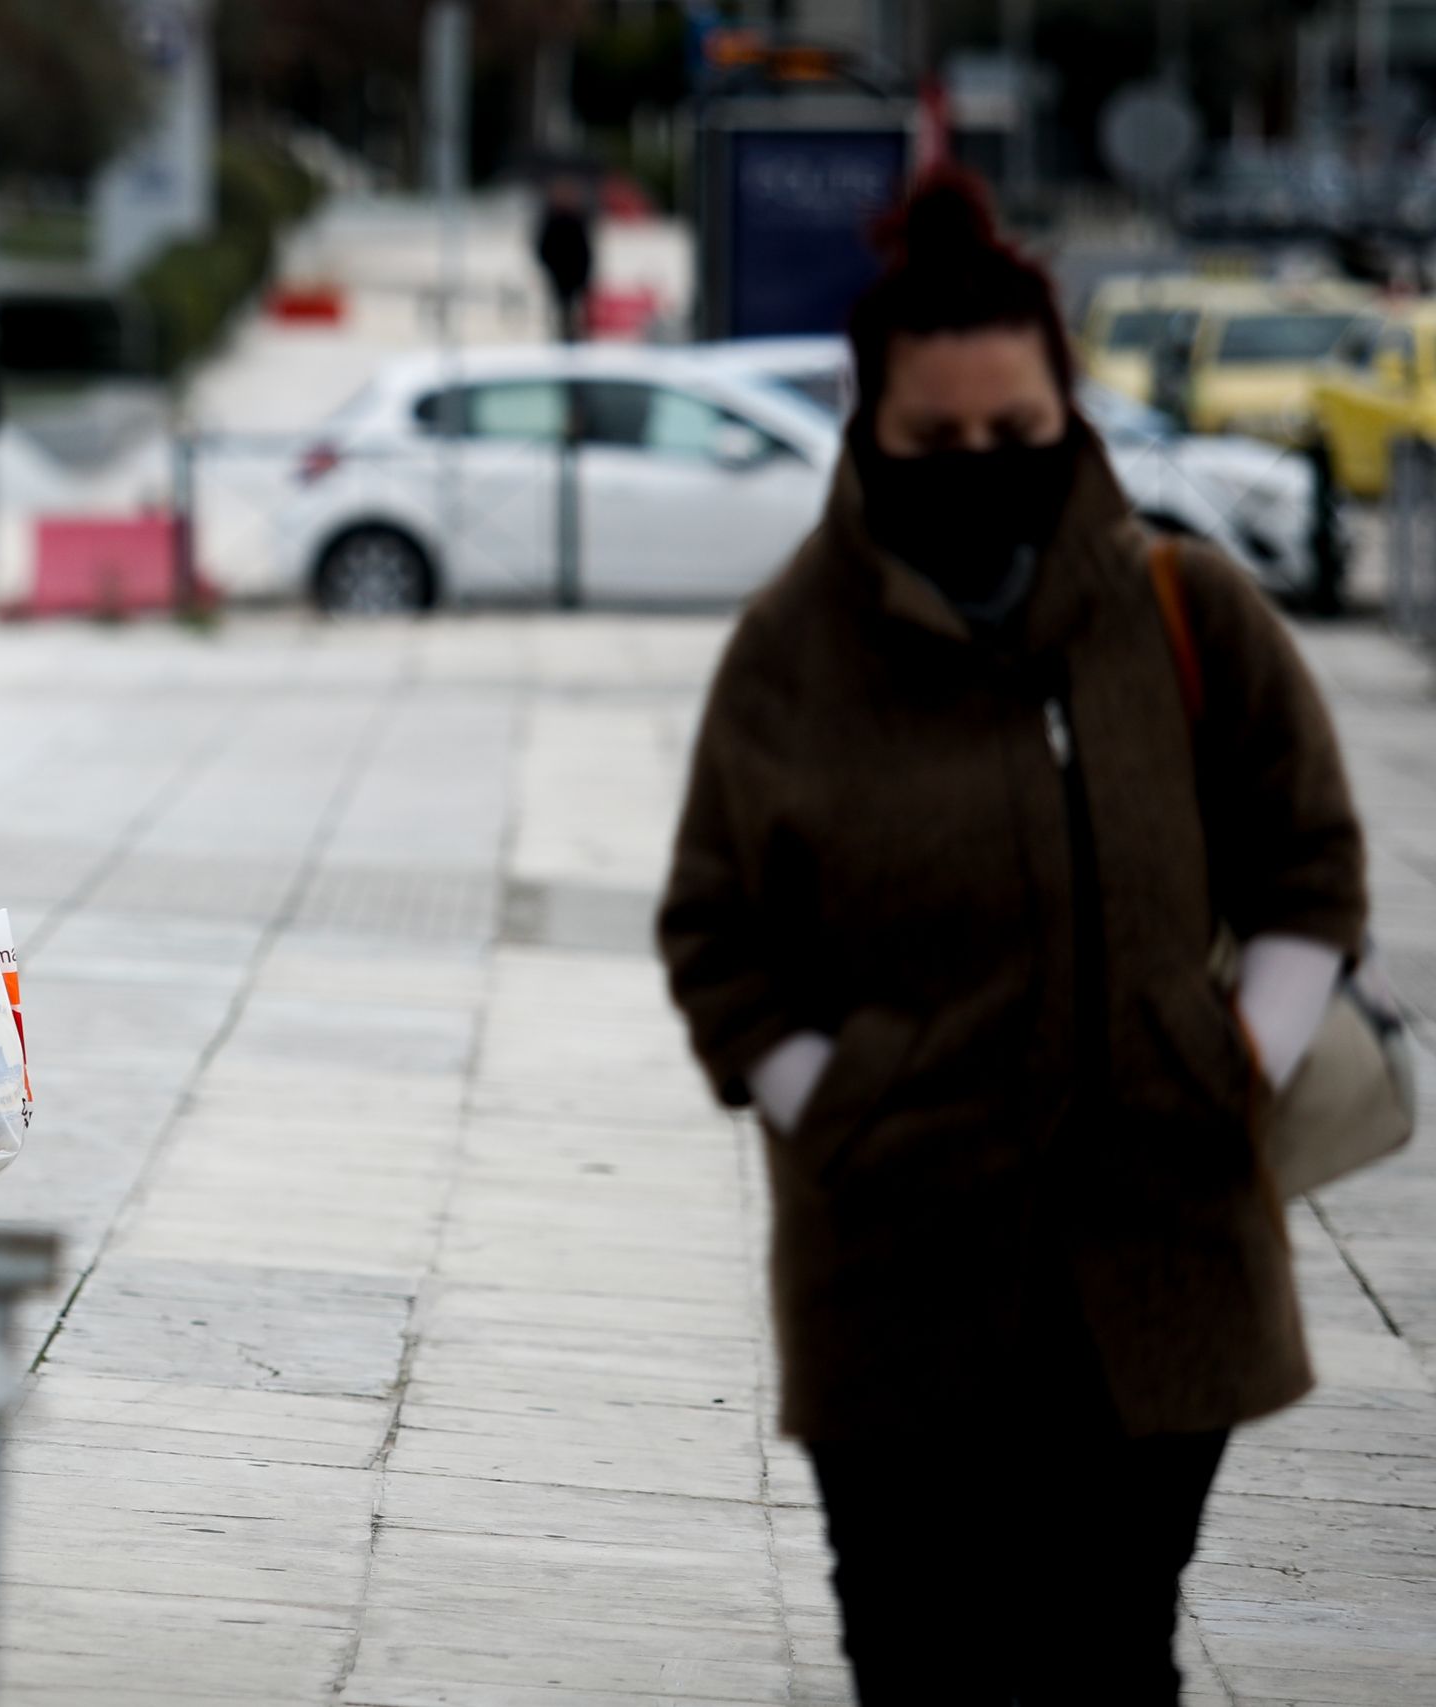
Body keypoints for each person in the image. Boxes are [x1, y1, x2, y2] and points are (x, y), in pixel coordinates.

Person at [657, 171, 1365, 1703]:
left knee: (1108, 1651)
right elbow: (717, 931)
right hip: (895, 1281)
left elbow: (1309, 860)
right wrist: (832, 1099)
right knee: (923, 1662)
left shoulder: (1187, 608)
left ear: (1071, 416)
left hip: (1162, 1269)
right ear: (871, 434)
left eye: (1015, 434)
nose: (981, 466)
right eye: (938, 440)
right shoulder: (793, 654)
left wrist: (1242, 1056)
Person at [532, 173, 594, 343]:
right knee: (561, 310)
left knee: (574, 311)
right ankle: (563, 336)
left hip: (574, 277)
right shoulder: (553, 220)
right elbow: (542, 248)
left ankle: (572, 335)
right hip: (559, 277)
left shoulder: (576, 220)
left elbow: (585, 251)